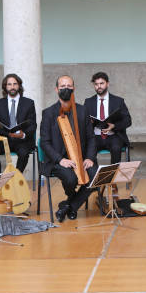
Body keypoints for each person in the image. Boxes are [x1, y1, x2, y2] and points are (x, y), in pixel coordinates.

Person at [40, 75, 96, 222]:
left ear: (74, 89)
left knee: (95, 175)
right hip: (57, 160)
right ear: (56, 89)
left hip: (81, 159)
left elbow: (91, 138)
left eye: (69, 86)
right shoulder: (48, 113)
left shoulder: (83, 111)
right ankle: (73, 203)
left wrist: (89, 157)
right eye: (62, 86)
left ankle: (69, 205)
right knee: (71, 178)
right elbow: (44, 142)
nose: (66, 88)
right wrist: (60, 160)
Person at [0, 74, 37, 177]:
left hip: (22, 140)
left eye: (15, 84)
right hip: (4, 138)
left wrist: (23, 135)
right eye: (9, 84)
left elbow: (33, 125)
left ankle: (16, 179)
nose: (12, 87)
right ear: (5, 87)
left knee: (23, 153)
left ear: (19, 86)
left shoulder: (29, 103)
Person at [84, 71, 132, 165]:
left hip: (113, 135)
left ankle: (112, 175)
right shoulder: (88, 102)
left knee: (116, 148)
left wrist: (114, 126)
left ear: (107, 84)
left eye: (101, 83)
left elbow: (128, 121)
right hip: (95, 136)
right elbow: (82, 121)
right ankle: (95, 176)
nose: (99, 86)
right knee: (89, 149)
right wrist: (89, 122)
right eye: (96, 84)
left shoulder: (118, 101)